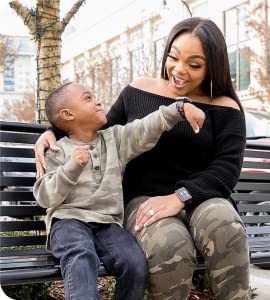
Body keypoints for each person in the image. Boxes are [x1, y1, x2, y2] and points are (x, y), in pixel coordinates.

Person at [35, 17, 251, 300]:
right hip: (144, 200)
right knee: (169, 243)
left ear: (213, 66)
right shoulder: (138, 90)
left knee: (226, 225)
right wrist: (52, 131)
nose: (179, 70)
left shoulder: (226, 107)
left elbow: (226, 170)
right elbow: (98, 129)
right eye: (173, 57)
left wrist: (180, 196)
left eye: (194, 65)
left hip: (203, 199)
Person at [33, 82, 205, 300]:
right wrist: (71, 168)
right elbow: (44, 197)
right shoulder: (56, 149)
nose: (98, 101)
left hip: (108, 224)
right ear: (67, 114)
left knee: (134, 263)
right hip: (68, 221)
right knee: (81, 256)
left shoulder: (113, 139)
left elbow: (145, 127)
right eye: (87, 98)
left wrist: (178, 109)